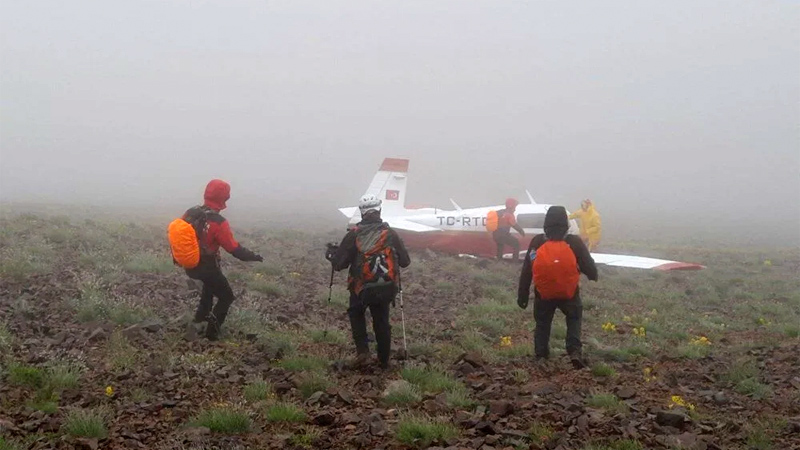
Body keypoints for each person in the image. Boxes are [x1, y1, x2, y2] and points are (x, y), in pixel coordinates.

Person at [327, 194, 411, 370]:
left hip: (360, 287)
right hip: (386, 285)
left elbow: (339, 264)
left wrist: (331, 255)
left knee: (356, 314)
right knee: (381, 320)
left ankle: (363, 354)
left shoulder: (353, 236)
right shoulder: (390, 234)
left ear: (361, 212)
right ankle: (383, 361)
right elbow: (405, 261)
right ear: (379, 210)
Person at [517, 205, 597, 368]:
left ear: (546, 223)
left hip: (544, 294)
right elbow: (588, 266)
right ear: (566, 223)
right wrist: (593, 275)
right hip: (569, 294)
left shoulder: (537, 242)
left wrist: (523, 295)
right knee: (574, 317)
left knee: (543, 322)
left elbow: (527, 269)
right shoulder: (574, 242)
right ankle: (574, 351)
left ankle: (541, 356)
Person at [183, 179, 263, 340]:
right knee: (226, 296)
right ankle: (212, 335)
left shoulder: (191, 213)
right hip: (207, 267)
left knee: (209, 288)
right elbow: (234, 249)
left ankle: (199, 320)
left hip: (189, 264)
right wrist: (253, 257)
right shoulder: (218, 222)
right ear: (224, 198)